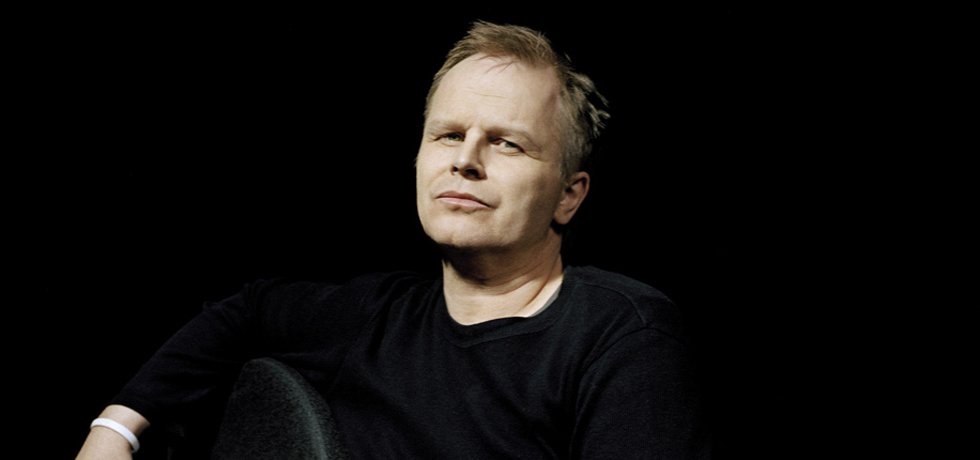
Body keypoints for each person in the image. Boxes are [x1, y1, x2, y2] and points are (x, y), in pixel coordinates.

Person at [77, 21, 708, 459]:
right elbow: (244, 313)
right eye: (448, 134)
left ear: (569, 195)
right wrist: (114, 431)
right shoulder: (370, 320)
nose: (465, 160)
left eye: (507, 143)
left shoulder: (623, 336)